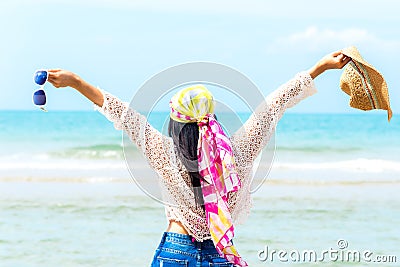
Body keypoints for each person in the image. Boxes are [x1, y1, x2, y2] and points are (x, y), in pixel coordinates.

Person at [47, 51, 351, 266]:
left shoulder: (162, 150)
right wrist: (319, 68)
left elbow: (124, 114)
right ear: (213, 118)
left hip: (175, 252)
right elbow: (272, 107)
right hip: (221, 254)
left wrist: (75, 81)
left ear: (174, 123)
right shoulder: (238, 153)